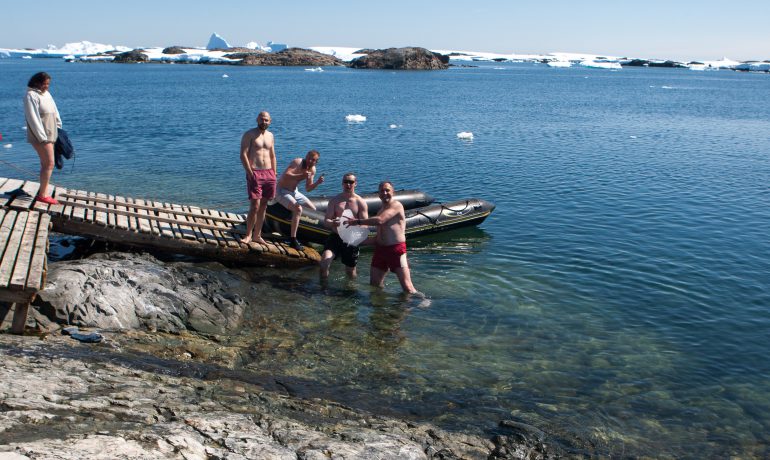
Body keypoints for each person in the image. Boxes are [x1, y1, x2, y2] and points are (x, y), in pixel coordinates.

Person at [345, 180, 417, 294]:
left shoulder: (396, 205)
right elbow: (379, 237)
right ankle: (380, 308)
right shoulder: (380, 210)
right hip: (380, 251)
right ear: (378, 194)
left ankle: (423, 300)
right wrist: (356, 241)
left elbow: (380, 220)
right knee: (374, 285)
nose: (384, 193)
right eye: (382, 191)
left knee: (408, 287)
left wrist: (357, 222)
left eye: (387, 190)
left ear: (393, 192)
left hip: (397, 251)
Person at [320, 173, 368, 278]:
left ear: (355, 184)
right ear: (342, 183)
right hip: (335, 236)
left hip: (351, 239)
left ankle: (351, 290)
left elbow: (365, 225)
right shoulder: (335, 200)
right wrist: (333, 222)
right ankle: (323, 290)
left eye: (351, 182)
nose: (348, 184)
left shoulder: (360, 202)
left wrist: (354, 225)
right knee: (324, 262)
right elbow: (326, 221)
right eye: (346, 182)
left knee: (350, 271)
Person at [24, 72, 61, 205]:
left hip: (51, 132)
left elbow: (54, 110)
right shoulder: (31, 95)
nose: (47, 86)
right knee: (49, 163)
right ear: (36, 83)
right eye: (44, 84)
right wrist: (42, 137)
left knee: (46, 163)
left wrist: (58, 125)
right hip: (40, 136)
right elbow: (32, 118)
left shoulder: (46, 94)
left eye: (48, 84)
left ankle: (43, 192)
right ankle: (43, 195)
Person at [239, 111, 277, 245]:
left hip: (269, 173)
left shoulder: (271, 136)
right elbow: (243, 154)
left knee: (264, 206)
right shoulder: (249, 134)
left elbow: (272, 155)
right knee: (255, 206)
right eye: (262, 119)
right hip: (255, 171)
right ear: (257, 120)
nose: (264, 122)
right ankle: (248, 235)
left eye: (266, 120)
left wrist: (274, 173)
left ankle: (257, 235)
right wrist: (249, 171)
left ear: (270, 121)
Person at [276, 150, 325, 250]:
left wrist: (317, 183)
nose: (310, 161)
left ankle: (303, 233)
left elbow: (308, 188)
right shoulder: (297, 162)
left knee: (313, 209)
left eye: (313, 160)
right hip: (281, 190)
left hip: (295, 192)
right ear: (306, 156)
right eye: (309, 158)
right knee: (298, 209)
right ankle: (292, 239)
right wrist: (301, 176)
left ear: (316, 162)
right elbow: (286, 175)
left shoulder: (313, 170)